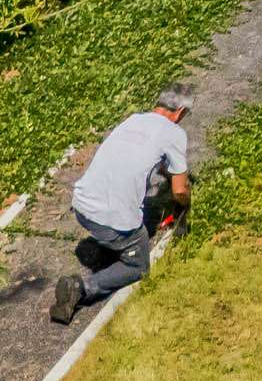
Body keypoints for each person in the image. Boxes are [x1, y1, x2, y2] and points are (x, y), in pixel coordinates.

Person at [50, 89, 192, 324]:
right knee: (138, 266)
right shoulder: (174, 133)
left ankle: (109, 244)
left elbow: (145, 160)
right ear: (180, 112)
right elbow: (179, 190)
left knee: (117, 225)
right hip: (110, 219)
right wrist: (185, 205)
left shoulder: (134, 120)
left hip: (82, 205)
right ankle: (81, 287)